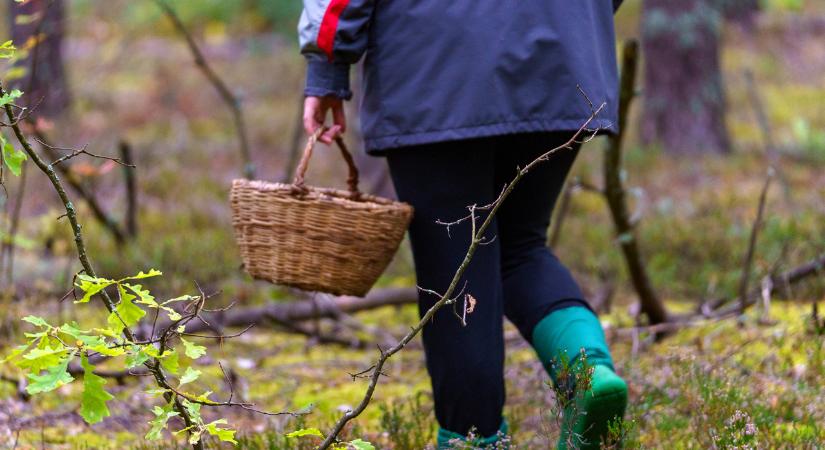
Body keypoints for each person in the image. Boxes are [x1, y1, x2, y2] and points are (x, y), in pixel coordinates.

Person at [298, 1, 628, 448]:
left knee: (453, 272)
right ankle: (588, 371)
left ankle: (473, 440)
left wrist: (328, 67)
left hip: (435, 70)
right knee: (519, 246)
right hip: (565, 58)